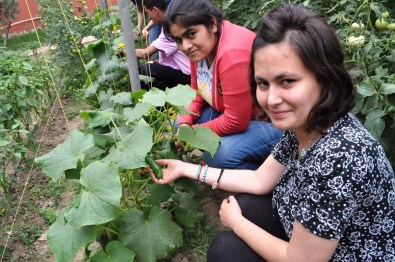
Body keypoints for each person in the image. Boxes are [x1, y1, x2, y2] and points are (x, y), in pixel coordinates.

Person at [149, 4, 395, 261]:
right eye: (263, 84)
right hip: (311, 231)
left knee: (226, 248)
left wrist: (237, 224)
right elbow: (260, 179)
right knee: (244, 206)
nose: (272, 99)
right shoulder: (307, 124)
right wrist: (186, 169)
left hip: (342, 254)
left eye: (287, 81)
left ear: (325, 77)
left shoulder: (340, 157)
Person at [163, 0, 282, 169]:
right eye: (178, 40)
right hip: (238, 114)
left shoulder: (232, 54)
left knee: (220, 154)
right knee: (178, 125)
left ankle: (273, 177)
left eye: (191, 34)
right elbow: (196, 91)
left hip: (273, 122)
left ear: (212, 24)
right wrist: (185, 124)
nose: (186, 46)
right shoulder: (200, 49)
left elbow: (235, 121)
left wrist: (194, 134)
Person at [135, 0, 190, 90]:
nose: (148, 17)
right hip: (185, 73)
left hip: (190, 79)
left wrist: (124, 51)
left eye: (147, 13)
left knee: (147, 70)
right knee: (143, 69)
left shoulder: (170, 29)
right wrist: (156, 62)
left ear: (155, 10)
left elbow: (145, 54)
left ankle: (162, 102)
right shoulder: (170, 22)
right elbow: (173, 59)